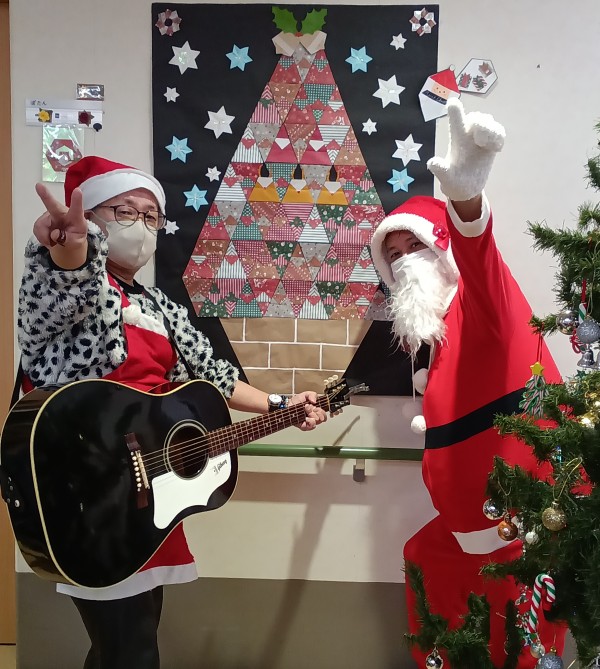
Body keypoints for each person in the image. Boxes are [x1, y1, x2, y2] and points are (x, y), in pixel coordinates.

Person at [17, 155, 328, 669]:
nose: (139, 226)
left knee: (124, 646)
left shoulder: (159, 306)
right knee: (131, 650)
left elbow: (213, 374)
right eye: (123, 211)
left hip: (145, 495)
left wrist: (281, 405)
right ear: (88, 218)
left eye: (150, 216)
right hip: (89, 490)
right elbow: (64, 286)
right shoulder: (65, 280)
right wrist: (71, 253)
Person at [370, 99, 566, 668]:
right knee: (423, 564)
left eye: (416, 247)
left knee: (519, 647)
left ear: (442, 248)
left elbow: (479, 257)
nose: (405, 262)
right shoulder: (436, 334)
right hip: (467, 532)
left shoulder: (483, 305)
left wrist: (467, 203)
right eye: (393, 255)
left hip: (520, 526)